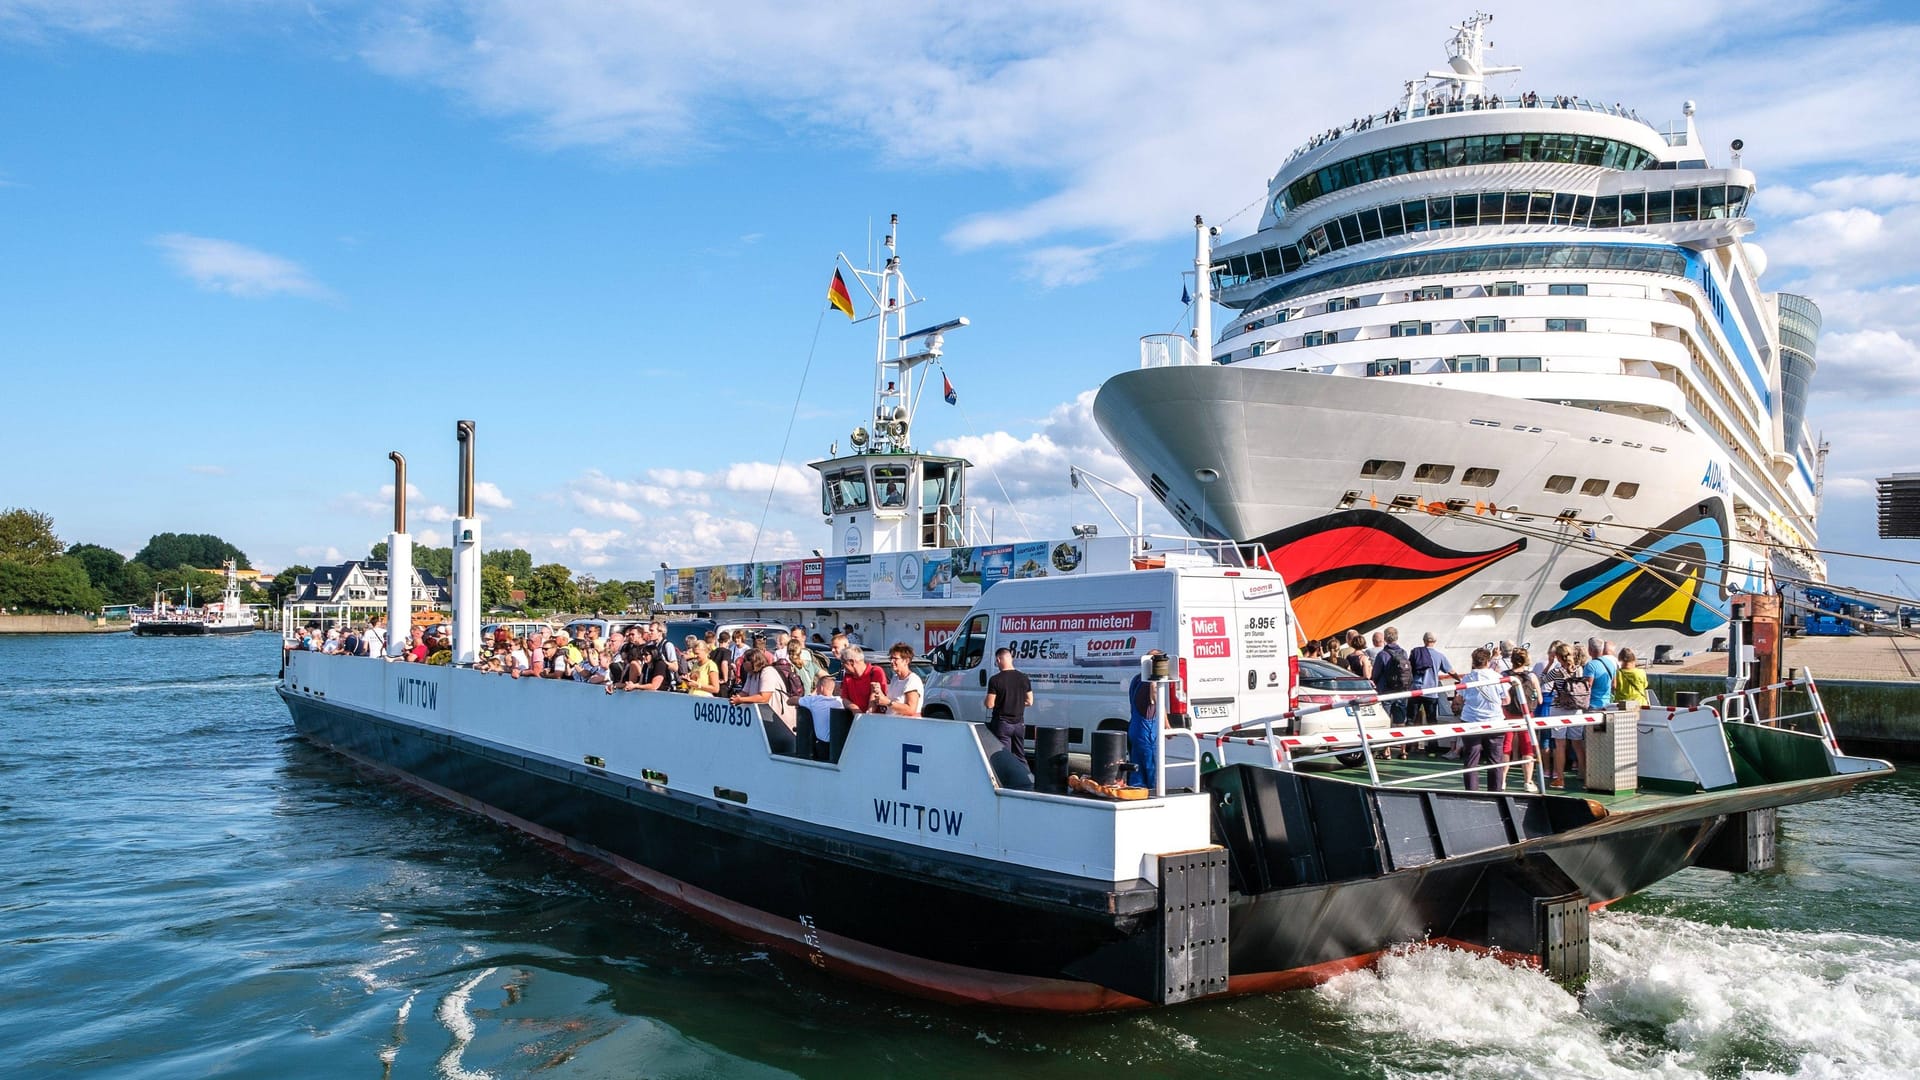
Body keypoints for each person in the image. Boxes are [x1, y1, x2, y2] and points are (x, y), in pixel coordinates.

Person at [1453, 647, 1506, 792]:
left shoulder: (1467, 678)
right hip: (1494, 721)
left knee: (1471, 759)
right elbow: (1506, 700)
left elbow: (1460, 698)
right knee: (1495, 760)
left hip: (1471, 721)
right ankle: (1496, 793)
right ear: (1488, 661)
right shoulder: (1497, 677)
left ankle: (1472, 792)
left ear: (1474, 661)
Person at [1502, 647, 1542, 791]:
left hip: (1508, 715)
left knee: (1506, 747)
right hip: (1526, 716)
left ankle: (1502, 780)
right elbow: (1540, 700)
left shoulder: (1504, 676)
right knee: (1527, 748)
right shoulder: (1531, 677)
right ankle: (1528, 781)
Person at [984, 647, 1033, 761]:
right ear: (1011, 659)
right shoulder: (1024, 678)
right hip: (1019, 724)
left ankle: (1005, 779)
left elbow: (989, 704)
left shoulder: (995, 680)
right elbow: (1029, 701)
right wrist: (1016, 702)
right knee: (1020, 756)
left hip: (1002, 723)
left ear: (999, 660)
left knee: (1005, 758)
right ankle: (1027, 778)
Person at [730, 648, 796, 728]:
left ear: (753, 661)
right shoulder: (751, 673)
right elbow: (745, 692)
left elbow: (764, 697)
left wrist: (741, 700)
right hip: (764, 715)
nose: (742, 664)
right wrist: (736, 697)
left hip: (777, 717)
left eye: (745, 661)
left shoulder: (767, 672)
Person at [1127, 652, 1164, 788]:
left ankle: (1135, 794)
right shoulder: (1151, 685)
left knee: (1137, 769)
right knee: (1151, 770)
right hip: (1146, 733)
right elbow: (1157, 699)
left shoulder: (1136, 679)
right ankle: (1153, 799)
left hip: (1134, 728)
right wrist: (1168, 726)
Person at [796, 674, 841, 761]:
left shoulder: (814, 700)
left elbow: (790, 701)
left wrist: (811, 695)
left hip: (823, 746)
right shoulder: (840, 701)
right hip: (839, 744)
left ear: (821, 688)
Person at [838, 645, 889, 713]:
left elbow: (875, 695)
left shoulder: (875, 671)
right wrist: (854, 708)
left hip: (876, 719)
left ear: (851, 662)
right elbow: (844, 698)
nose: (842, 666)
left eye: (843, 662)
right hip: (857, 718)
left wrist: (867, 715)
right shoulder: (848, 676)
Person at [883, 643, 923, 716]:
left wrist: (887, 702)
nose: (892, 661)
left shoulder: (912, 680)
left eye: (895, 659)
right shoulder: (895, 678)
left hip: (905, 725)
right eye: (891, 658)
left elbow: (911, 710)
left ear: (906, 661)